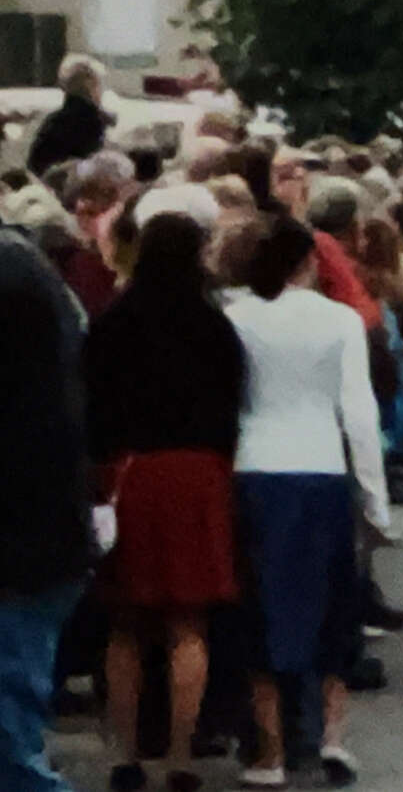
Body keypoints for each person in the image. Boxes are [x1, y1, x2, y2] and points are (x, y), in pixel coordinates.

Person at [226, 216, 389, 789]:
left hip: (254, 467)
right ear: (309, 263)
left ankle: (269, 753)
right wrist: (375, 498)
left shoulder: (236, 318)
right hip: (321, 466)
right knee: (330, 606)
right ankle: (333, 739)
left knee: (263, 610)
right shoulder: (340, 320)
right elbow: (359, 413)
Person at [85, 213, 247, 792]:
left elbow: (92, 406)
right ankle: (181, 755)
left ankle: (127, 755)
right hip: (199, 472)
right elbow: (235, 404)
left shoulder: (112, 323)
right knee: (189, 620)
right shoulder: (214, 327)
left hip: (129, 472)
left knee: (125, 622)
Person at [0, 219, 91, 792]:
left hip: (20, 543)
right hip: (38, 535)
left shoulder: (13, 276)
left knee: (11, 750)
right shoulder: (23, 267)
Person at [28, 55, 110, 176]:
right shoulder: (92, 120)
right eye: (99, 84)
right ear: (90, 85)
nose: (101, 91)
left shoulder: (53, 120)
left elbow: (35, 163)